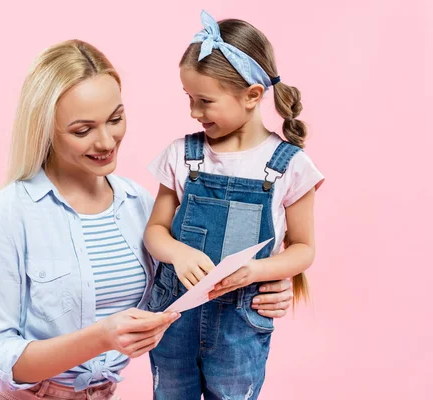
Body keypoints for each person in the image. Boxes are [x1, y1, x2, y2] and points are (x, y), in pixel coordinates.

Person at [0, 39, 294, 400]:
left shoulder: (138, 206)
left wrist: (265, 288)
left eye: (116, 119)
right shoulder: (6, 216)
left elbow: (189, 285)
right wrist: (101, 337)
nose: (107, 141)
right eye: (82, 130)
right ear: (44, 129)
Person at [144, 11, 324, 400]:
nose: (194, 112)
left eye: (205, 101)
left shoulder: (290, 166)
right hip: (175, 311)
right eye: (189, 99)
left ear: (252, 96)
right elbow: (155, 231)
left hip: (241, 319)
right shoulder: (181, 155)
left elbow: (304, 249)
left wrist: (256, 269)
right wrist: (176, 253)